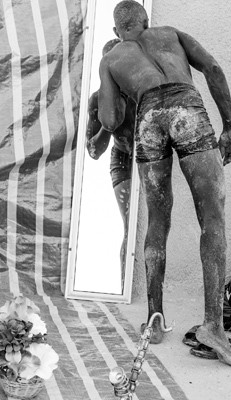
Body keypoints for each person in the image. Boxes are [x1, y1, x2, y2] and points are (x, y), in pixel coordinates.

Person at [98, 0, 231, 367]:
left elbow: (112, 121)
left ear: (118, 31)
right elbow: (213, 67)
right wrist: (230, 125)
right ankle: (213, 325)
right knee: (212, 219)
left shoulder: (112, 58)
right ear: (145, 21)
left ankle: (155, 318)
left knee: (158, 222)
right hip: (185, 108)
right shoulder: (170, 33)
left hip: (148, 120)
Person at [86, 38, 135, 278]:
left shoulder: (143, 88)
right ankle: (124, 285)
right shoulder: (98, 99)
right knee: (131, 228)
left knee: (149, 226)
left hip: (150, 158)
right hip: (123, 159)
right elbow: (93, 152)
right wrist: (108, 124)